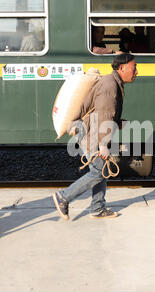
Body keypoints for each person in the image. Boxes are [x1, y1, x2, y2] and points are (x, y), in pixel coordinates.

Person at [52, 54, 138, 220]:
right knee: (98, 172)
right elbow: (103, 115)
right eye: (134, 68)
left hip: (92, 130)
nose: (136, 72)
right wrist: (103, 145)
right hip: (91, 132)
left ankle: (97, 208)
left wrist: (117, 123)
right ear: (122, 68)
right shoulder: (110, 86)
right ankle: (63, 197)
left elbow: (105, 113)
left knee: (101, 170)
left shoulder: (112, 83)